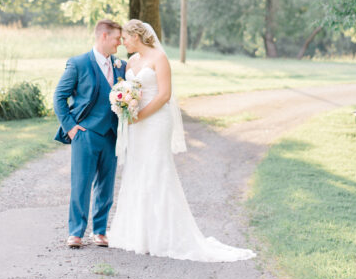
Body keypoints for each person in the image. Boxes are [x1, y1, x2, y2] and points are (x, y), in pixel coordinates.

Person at [108, 19, 256, 262]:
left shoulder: (159, 58)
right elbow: (130, 90)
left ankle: (163, 236)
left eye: (125, 37)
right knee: (137, 170)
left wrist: (140, 115)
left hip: (155, 122)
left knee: (156, 170)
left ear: (136, 36)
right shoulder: (131, 62)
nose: (122, 41)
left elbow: (164, 95)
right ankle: (137, 234)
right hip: (136, 123)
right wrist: (126, 106)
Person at [53, 19, 126, 248]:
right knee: (81, 183)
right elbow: (59, 97)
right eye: (116, 39)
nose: (119, 44)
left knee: (106, 185)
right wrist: (71, 128)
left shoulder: (121, 66)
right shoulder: (78, 63)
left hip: (111, 134)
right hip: (85, 134)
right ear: (104, 36)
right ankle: (76, 232)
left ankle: (100, 230)